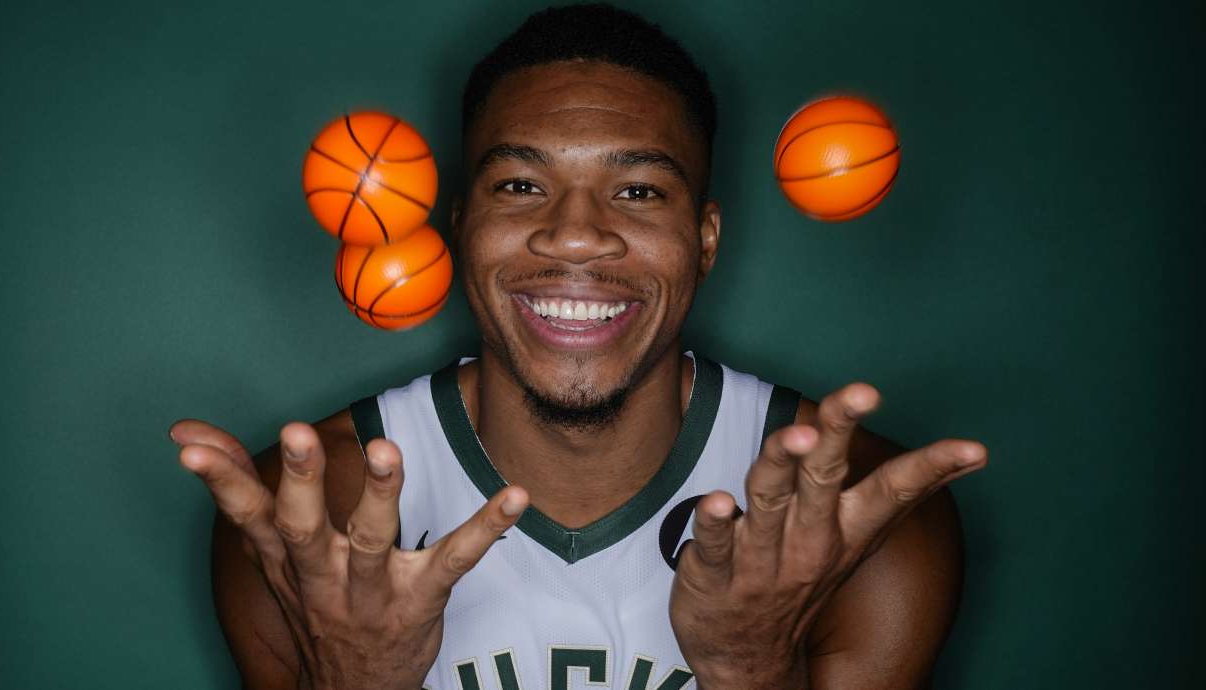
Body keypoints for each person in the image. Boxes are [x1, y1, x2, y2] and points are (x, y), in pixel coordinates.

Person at [170, 5, 987, 689]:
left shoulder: (864, 524)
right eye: (521, 185)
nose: (574, 236)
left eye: (637, 191)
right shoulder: (308, 522)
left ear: (704, 241)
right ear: (461, 225)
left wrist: (752, 668)